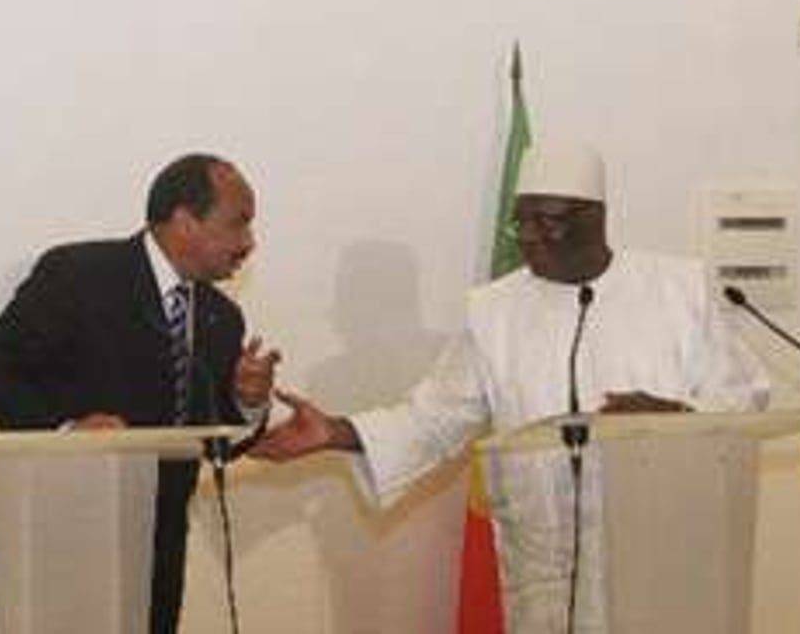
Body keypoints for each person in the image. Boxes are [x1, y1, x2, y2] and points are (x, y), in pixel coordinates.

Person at [250, 142, 769, 633]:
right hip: (547, 575)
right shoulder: (496, 312)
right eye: (520, 221)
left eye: (547, 222)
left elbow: (744, 397)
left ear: (595, 220)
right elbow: (432, 419)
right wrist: (336, 432)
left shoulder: (678, 292)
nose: (528, 236)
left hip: (657, 568)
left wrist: (676, 417)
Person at [0, 152, 280, 634]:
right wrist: (67, 435)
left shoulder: (220, 318)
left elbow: (217, 441)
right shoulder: (79, 275)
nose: (248, 243)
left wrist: (250, 404)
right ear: (185, 221)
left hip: (155, 555)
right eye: (238, 224)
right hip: (56, 536)